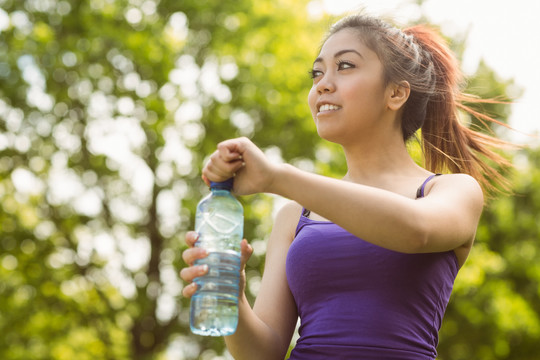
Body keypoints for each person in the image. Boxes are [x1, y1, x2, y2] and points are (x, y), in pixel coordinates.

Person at [180, 14, 511, 360]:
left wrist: (277, 178)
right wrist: (234, 298)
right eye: (317, 72)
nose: (323, 84)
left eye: (346, 66)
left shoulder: (451, 191)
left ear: (396, 93)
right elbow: (263, 353)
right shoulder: (295, 215)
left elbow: (416, 230)